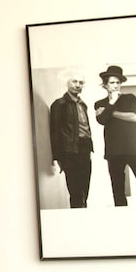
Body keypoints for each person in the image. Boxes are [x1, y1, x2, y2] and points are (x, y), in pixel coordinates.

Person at [93, 65, 136, 206]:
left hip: (134, 149)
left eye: (118, 82)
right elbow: (102, 120)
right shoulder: (99, 103)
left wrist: (110, 112)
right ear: (105, 85)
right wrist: (112, 102)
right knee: (118, 191)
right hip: (113, 151)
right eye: (112, 82)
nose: (115, 85)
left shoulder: (129, 98)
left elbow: (134, 117)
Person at [49, 72, 93, 207]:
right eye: (74, 81)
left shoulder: (83, 105)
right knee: (75, 191)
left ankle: (83, 213)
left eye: (81, 82)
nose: (78, 85)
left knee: (85, 189)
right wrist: (57, 157)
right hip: (70, 151)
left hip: (85, 148)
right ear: (67, 83)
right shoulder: (59, 104)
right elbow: (55, 131)